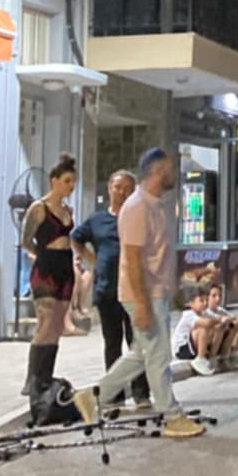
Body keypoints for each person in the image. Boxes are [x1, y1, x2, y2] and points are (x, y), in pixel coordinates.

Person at [72, 148, 205, 437]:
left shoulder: (156, 205)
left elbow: (158, 256)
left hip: (155, 292)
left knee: (142, 354)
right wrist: (143, 303)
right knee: (158, 356)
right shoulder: (137, 208)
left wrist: (175, 289)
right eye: (170, 168)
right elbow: (131, 260)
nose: (175, 174)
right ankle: (171, 415)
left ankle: (92, 397)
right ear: (157, 171)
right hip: (143, 294)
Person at [71, 169, 142, 402]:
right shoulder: (97, 220)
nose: (122, 192)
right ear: (110, 188)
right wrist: (92, 260)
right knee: (112, 344)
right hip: (107, 289)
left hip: (134, 291)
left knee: (138, 345)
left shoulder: (139, 218)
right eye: (118, 187)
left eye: (128, 189)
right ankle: (114, 397)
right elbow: (76, 237)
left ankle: (141, 394)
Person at [21, 154, 78, 403]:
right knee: (45, 321)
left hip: (65, 265)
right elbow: (26, 239)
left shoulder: (68, 210)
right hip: (46, 266)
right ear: (54, 180)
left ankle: (46, 376)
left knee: (56, 325)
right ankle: (32, 378)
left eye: (73, 182)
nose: (71, 186)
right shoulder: (39, 208)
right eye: (67, 181)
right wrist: (40, 254)